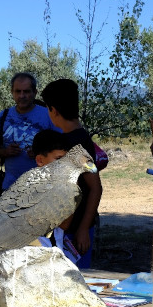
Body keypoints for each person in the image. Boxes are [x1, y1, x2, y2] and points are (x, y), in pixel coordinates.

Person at [40, 78, 103, 269]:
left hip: (76, 231)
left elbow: (95, 187)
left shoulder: (76, 145)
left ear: (53, 110)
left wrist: (83, 228)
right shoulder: (74, 139)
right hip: (66, 228)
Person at [0, 73, 58, 192]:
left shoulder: (49, 115)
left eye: (26, 91)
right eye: (18, 91)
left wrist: (41, 153)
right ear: (12, 92)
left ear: (35, 92)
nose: (22, 95)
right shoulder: (3, 116)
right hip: (10, 189)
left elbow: (64, 148)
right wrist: (5, 152)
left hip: (42, 188)